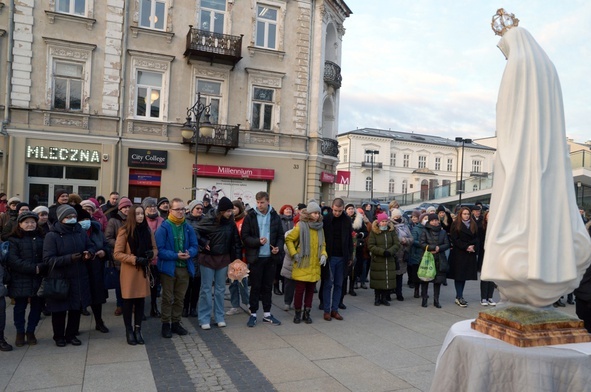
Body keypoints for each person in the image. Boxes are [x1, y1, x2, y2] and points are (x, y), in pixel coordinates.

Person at [482, 16, 591, 307]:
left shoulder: (517, 65)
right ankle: (551, 262)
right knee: (546, 201)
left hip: (521, 148)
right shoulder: (548, 68)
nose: (505, 55)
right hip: (549, 150)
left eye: (504, 49)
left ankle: (525, 262)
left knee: (519, 202)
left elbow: (507, 112)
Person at [43, 204, 96, 347]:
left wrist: (89, 253)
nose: (72, 219)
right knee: (59, 310)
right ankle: (59, 336)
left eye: (73, 216)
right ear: (61, 219)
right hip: (60, 278)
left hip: (79, 276)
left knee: (75, 308)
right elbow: (48, 260)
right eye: (68, 217)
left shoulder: (80, 232)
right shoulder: (52, 235)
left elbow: (90, 245)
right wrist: (69, 258)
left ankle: (71, 334)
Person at [195, 197, 242, 330]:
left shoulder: (231, 223)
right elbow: (195, 231)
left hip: (223, 258)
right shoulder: (208, 219)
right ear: (221, 211)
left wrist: (237, 260)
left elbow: (236, 242)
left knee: (221, 289)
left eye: (231, 211)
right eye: (228, 211)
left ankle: (219, 317)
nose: (230, 213)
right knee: (206, 289)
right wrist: (204, 242)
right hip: (208, 258)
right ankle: (204, 318)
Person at [114, 205, 157, 345]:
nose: (140, 216)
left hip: (143, 270)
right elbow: (117, 254)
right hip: (130, 271)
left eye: (142, 214)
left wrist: (152, 254)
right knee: (128, 302)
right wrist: (135, 259)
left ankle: (138, 330)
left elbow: (155, 248)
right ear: (132, 215)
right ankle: (129, 331)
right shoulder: (124, 231)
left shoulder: (147, 230)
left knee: (140, 302)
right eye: (137, 214)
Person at [155, 198, 198, 338]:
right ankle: (165, 324)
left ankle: (176, 322)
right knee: (167, 298)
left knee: (180, 297)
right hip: (169, 268)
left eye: (182, 209)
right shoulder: (164, 227)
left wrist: (189, 253)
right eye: (177, 209)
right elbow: (159, 250)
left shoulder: (187, 227)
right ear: (170, 210)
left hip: (184, 267)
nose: (180, 212)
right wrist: (175, 255)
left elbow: (195, 246)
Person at [241, 191, 284, 327]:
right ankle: (253, 314)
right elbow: (245, 237)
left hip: (270, 258)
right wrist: (258, 241)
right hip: (256, 257)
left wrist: (277, 247)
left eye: (262, 202)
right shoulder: (251, 216)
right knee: (255, 286)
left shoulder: (274, 216)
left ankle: (267, 314)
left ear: (268, 202)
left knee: (267, 286)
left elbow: (281, 236)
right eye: (258, 202)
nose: (259, 205)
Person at [6, 212, 46, 346]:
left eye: (33, 222)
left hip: (38, 278)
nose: (30, 225)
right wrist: (33, 268)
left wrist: (40, 267)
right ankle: (20, 332)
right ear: (20, 224)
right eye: (27, 222)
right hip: (19, 278)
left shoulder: (42, 237)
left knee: (36, 307)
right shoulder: (13, 240)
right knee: (20, 307)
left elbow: (46, 256)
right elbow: (13, 260)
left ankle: (31, 331)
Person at [285, 201, 327, 324]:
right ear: (309, 213)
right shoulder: (301, 226)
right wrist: (294, 254)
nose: (317, 215)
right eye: (314, 213)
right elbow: (289, 239)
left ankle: (306, 313)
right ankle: (297, 313)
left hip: (314, 264)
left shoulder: (320, 227)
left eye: (318, 213)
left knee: (310, 291)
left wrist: (324, 254)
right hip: (302, 263)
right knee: (299, 291)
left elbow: (323, 244)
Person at [77, 208, 111, 333]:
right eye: (82, 220)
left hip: (96, 268)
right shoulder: (75, 232)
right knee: (79, 298)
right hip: (80, 268)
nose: (86, 222)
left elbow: (106, 245)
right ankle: (74, 327)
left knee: (97, 297)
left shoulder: (96, 231)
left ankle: (99, 322)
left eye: (87, 219)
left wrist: (104, 252)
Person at [320, 198, 354, 321]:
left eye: (339, 211)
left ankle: (335, 309)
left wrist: (350, 256)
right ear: (332, 207)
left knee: (339, 284)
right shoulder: (327, 219)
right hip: (330, 256)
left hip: (342, 256)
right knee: (328, 284)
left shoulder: (346, 220)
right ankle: (326, 310)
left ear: (343, 209)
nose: (337, 213)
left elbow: (350, 239)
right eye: (335, 210)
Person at [105, 197, 132, 316]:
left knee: (131, 282)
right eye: (124, 207)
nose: (127, 209)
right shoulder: (113, 220)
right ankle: (120, 305)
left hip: (132, 256)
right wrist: (121, 246)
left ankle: (131, 305)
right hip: (119, 257)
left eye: (128, 207)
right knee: (119, 284)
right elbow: (108, 238)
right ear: (120, 208)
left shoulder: (134, 219)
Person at [448, 207, 479, 308]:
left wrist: (473, 246)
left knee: (464, 276)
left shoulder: (473, 224)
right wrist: (466, 246)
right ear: (460, 214)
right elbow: (454, 239)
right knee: (459, 276)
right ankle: (459, 296)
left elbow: (476, 238)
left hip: (469, 253)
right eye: (464, 214)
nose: (466, 216)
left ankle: (460, 296)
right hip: (459, 254)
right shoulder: (456, 224)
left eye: (468, 214)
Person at [368, 213, 400, 306]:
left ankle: (384, 298)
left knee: (387, 279)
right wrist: (382, 252)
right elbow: (371, 245)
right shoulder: (374, 232)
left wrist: (390, 251)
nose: (384, 223)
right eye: (382, 221)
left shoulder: (391, 231)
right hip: (378, 259)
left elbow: (397, 244)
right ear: (378, 222)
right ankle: (377, 298)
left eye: (386, 221)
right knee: (378, 279)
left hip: (389, 259)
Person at [419, 213, 450, 308]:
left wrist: (438, 248)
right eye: (432, 220)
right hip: (428, 257)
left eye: (436, 220)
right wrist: (431, 248)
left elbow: (447, 244)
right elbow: (422, 243)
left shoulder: (443, 232)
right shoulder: (425, 231)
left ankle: (436, 300)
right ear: (429, 221)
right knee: (425, 279)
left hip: (439, 258)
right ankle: (424, 299)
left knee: (438, 280)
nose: (435, 222)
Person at [142, 197, 164, 317]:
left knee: (154, 285)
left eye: (154, 206)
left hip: (158, 258)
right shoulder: (141, 220)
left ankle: (154, 307)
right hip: (145, 257)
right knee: (142, 284)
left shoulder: (162, 220)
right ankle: (141, 310)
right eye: (149, 206)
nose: (152, 208)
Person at [226, 200, 249, 316]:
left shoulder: (244, 220)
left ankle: (247, 303)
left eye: (235, 208)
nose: (233, 211)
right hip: (231, 257)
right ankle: (235, 305)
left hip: (242, 256)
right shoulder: (228, 222)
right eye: (231, 209)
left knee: (243, 281)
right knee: (233, 283)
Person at [183, 199, 204, 318]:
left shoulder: (205, 220)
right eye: (197, 208)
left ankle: (193, 307)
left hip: (201, 256)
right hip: (189, 255)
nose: (200, 210)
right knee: (187, 284)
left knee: (197, 284)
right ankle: (185, 307)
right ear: (191, 209)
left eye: (201, 208)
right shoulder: (185, 221)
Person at [343, 203, 367, 302]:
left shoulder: (359, 219)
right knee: (345, 269)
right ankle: (343, 288)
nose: (351, 210)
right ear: (346, 210)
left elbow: (365, 232)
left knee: (354, 268)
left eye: (352, 209)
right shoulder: (343, 219)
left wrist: (360, 234)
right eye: (349, 209)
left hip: (357, 247)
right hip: (346, 247)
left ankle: (352, 288)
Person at [391, 208, 412, 301]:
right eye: (395, 216)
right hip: (394, 253)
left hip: (403, 253)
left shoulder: (405, 226)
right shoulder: (390, 225)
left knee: (400, 276)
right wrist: (399, 241)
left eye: (398, 216)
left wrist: (406, 240)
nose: (397, 218)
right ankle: (389, 292)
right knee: (392, 275)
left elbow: (411, 238)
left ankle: (399, 293)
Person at [275, 204, 295, 296]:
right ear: (282, 211)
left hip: (290, 247)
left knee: (287, 269)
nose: (288, 211)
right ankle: (276, 287)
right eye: (286, 209)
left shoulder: (294, 220)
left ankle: (285, 288)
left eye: (290, 209)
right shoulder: (279, 220)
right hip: (280, 246)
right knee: (278, 268)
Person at [410, 213, 429, 298]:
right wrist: (423, 245)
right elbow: (413, 241)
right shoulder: (416, 229)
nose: (427, 220)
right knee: (418, 274)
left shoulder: (430, 229)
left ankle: (424, 292)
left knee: (426, 275)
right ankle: (416, 291)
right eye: (425, 218)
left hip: (427, 254)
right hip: (417, 254)